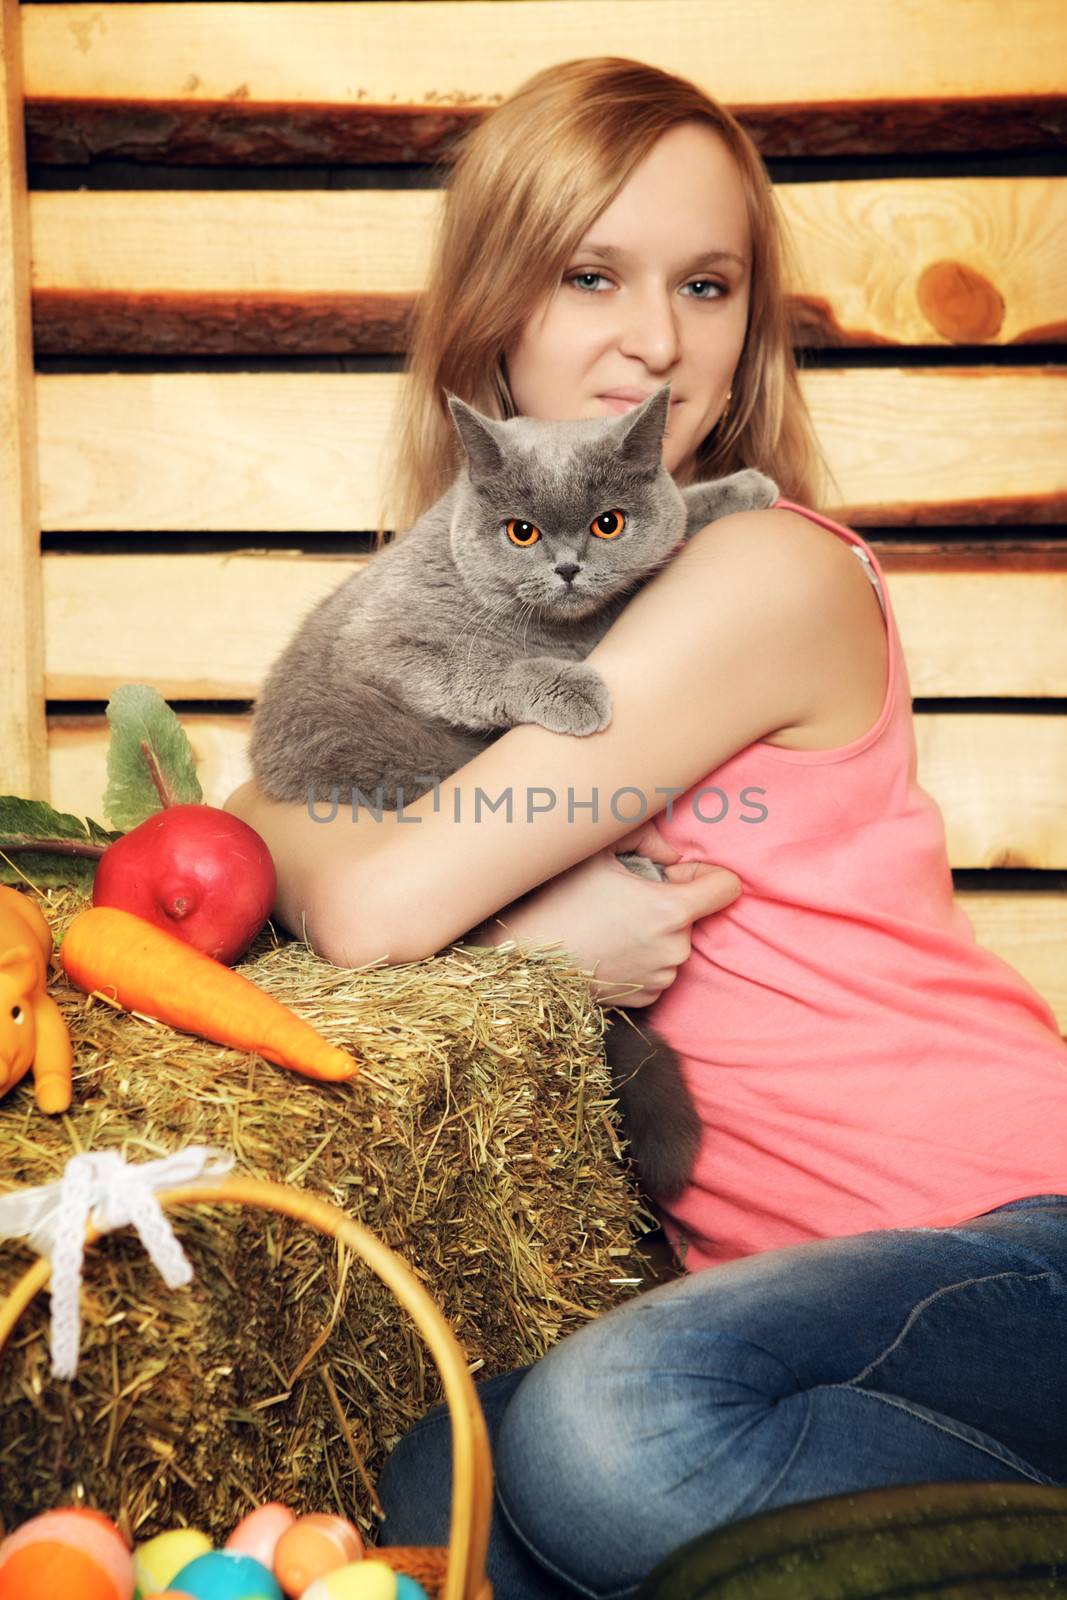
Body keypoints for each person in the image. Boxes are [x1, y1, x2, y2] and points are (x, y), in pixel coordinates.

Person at [224, 56, 1067, 1600]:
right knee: (440, 1462)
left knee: (616, 1435)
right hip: (821, 1316)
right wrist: (516, 931)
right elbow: (267, 815)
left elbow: (358, 895)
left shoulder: (761, 575)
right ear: (498, 316)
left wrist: (448, 898)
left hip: (1024, 1227)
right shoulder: (523, 626)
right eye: (593, 274)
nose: (659, 341)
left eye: (710, 285)